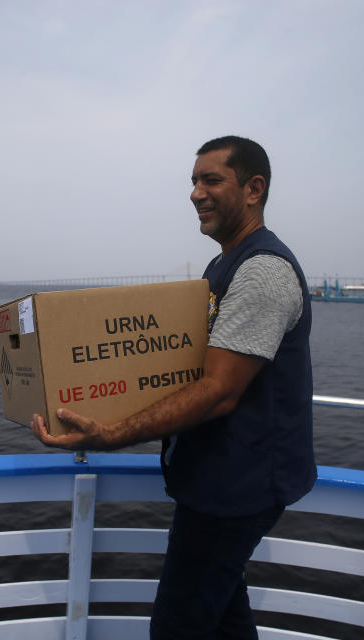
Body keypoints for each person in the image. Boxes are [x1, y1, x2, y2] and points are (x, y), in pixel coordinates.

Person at [32, 135, 316, 639]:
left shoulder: (262, 271)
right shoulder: (223, 265)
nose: (195, 193)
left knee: (176, 627)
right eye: (193, 181)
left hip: (239, 489)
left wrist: (110, 433)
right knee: (226, 618)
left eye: (211, 180)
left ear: (254, 189)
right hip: (218, 480)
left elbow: (219, 390)